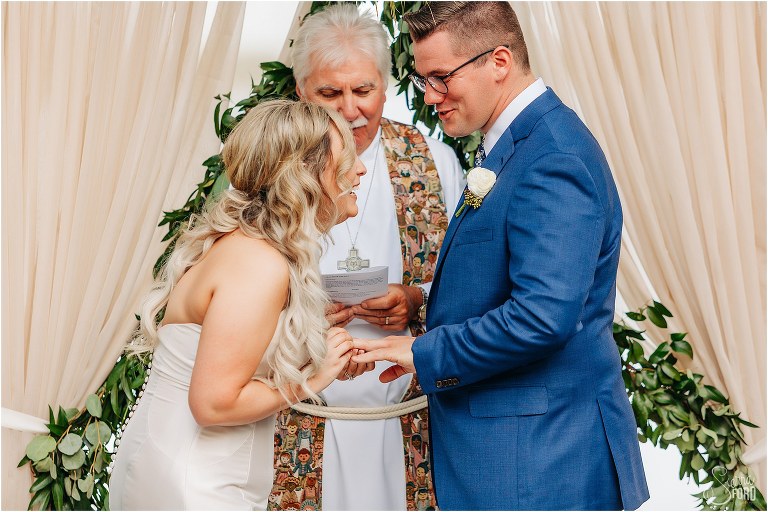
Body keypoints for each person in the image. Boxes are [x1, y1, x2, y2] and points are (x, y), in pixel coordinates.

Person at [352, 2, 650, 510]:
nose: (430, 98)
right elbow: (512, 281)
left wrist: (422, 353)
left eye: (441, 78)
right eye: (424, 80)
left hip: (540, 462)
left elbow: (543, 318)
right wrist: (419, 300)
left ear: (499, 61)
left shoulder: (552, 155)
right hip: (518, 455)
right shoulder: (518, 144)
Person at [108, 99, 367, 510]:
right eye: (347, 159)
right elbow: (213, 404)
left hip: (184, 468)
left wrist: (306, 333)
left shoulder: (247, 250)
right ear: (304, 175)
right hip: (194, 482)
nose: (360, 170)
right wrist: (314, 380)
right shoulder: (258, 263)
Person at [266, 4, 466, 511]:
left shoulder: (433, 158)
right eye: (330, 94)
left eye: (363, 91)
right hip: (300, 413)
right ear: (300, 93)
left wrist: (414, 298)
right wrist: (301, 313)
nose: (350, 110)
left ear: (386, 85)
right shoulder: (272, 169)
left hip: (407, 414)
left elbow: (465, 281)